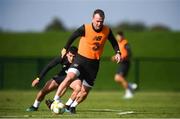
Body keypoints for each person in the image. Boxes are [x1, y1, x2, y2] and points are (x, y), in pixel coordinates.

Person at [51, 9, 121, 114]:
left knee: (84, 92)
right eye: (97, 21)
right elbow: (73, 36)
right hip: (80, 59)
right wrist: (65, 47)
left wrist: (118, 52)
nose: (99, 23)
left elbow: (114, 42)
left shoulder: (107, 30)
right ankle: (55, 99)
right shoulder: (85, 28)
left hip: (94, 64)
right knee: (69, 77)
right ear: (92, 19)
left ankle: (71, 106)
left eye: (101, 21)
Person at [26, 46, 82, 112]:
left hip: (73, 79)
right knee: (44, 90)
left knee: (78, 88)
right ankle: (35, 106)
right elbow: (49, 66)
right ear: (67, 54)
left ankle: (67, 107)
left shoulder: (79, 61)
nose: (72, 58)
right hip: (61, 76)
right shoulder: (62, 58)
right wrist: (38, 79)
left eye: (74, 56)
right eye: (70, 55)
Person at [112, 31, 136, 99]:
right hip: (121, 63)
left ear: (122, 36)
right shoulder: (119, 43)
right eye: (117, 36)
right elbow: (121, 53)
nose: (118, 37)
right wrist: (115, 57)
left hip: (125, 63)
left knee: (119, 77)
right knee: (117, 78)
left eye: (119, 36)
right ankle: (129, 86)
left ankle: (129, 92)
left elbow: (129, 53)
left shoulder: (125, 43)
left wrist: (122, 57)